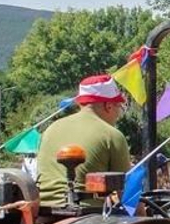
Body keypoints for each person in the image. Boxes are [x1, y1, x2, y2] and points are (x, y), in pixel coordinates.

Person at [36, 75, 133, 207]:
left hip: (43, 212)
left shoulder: (50, 129)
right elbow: (129, 197)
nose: (118, 114)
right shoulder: (112, 135)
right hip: (88, 214)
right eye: (119, 107)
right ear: (108, 106)